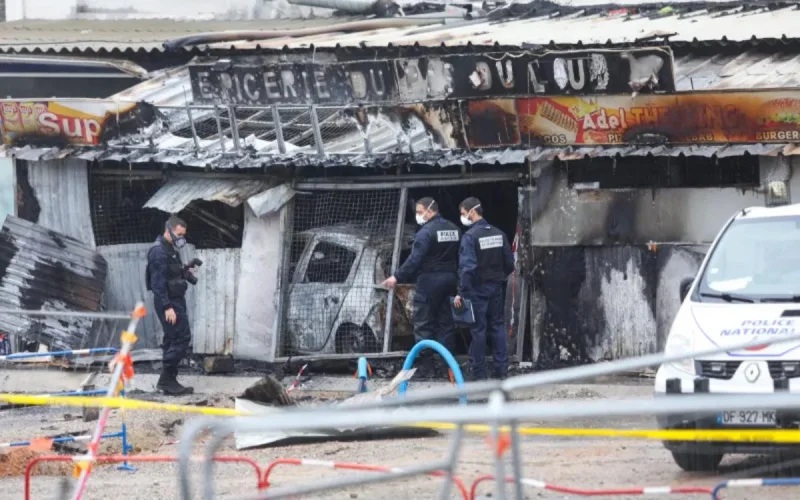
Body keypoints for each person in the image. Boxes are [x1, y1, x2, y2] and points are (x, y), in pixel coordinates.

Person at [381, 197, 460, 377]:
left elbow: (415, 259)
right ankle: (448, 367)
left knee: (423, 323)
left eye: (419, 211)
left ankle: (427, 367)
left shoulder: (425, 232)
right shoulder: (454, 229)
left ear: (430, 211)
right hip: (449, 279)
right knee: (445, 324)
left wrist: (397, 276)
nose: (417, 215)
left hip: (429, 281)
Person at [453, 197, 514, 381]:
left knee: (478, 330)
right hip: (496, 288)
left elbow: (468, 268)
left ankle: (479, 373)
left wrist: (462, 292)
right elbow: (510, 264)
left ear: (472, 212)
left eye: (463, 213)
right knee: (497, 327)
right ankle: (501, 370)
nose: (462, 217)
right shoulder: (498, 233)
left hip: (477, 290)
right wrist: (497, 278)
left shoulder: (470, 237)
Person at [146, 215, 198, 396]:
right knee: (182, 337)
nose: (181, 238)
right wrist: (168, 307)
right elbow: (157, 284)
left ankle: (169, 380)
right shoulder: (158, 252)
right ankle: (166, 378)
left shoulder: (170, 249)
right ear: (168, 229)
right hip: (168, 302)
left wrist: (185, 271)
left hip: (175, 300)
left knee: (172, 339)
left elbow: (171, 274)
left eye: (183, 235)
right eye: (178, 234)